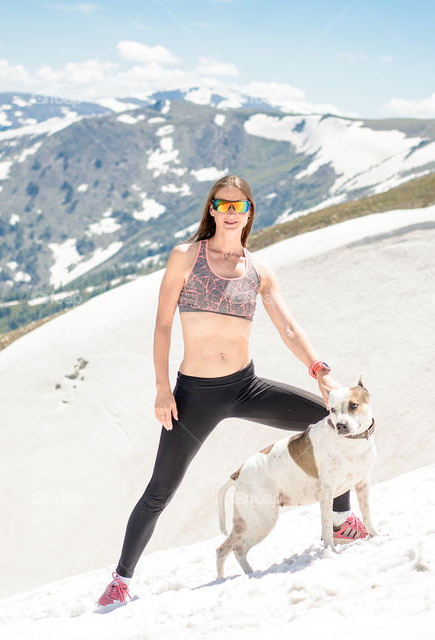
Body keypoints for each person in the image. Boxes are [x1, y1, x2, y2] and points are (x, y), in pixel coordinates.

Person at [97, 175, 369, 607]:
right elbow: (163, 325)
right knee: (160, 490)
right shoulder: (185, 258)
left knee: (327, 420)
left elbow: (288, 327)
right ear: (211, 209)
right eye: (222, 204)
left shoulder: (259, 272)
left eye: (238, 206)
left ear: (248, 213)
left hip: (245, 386)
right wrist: (163, 389)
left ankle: (341, 520)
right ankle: (121, 580)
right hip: (193, 396)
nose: (229, 212)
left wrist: (319, 370)